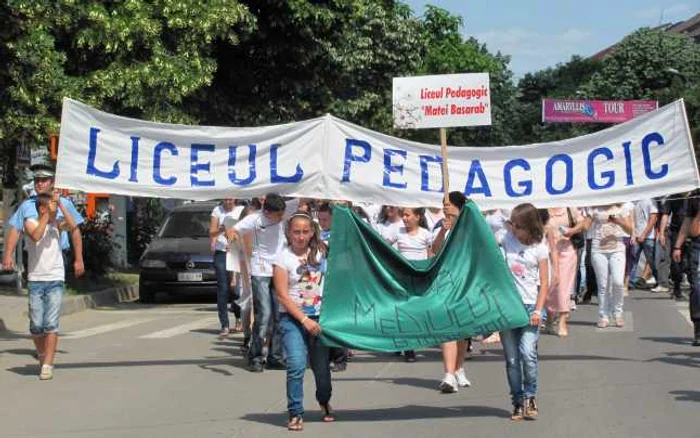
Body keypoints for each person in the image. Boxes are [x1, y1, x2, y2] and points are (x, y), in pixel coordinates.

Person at [274, 212, 334, 431]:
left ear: (312, 233)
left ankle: (324, 400)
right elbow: (282, 295)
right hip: (292, 319)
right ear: (289, 233)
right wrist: (304, 319)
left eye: (305, 232)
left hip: (320, 319)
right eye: (296, 232)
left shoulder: (322, 252)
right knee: (296, 365)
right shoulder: (282, 258)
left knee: (321, 369)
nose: (300, 236)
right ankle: (296, 412)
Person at [228, 194, 299, 372]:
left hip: (279, 269)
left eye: (283, 213)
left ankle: (275, 356)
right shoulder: (254, 219)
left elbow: (304, 199)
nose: (282, 217)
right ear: (267, 211)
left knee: (278, 314)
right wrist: (232, 236)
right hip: (260, 271)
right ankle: (256, 356)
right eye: (278, 215)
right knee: (264, 314)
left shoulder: (284, 209)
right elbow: (234, 230)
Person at [499, 203, 549, 421]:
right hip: (509, 308)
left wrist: (538, 309)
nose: (513, 229)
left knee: (527, 353)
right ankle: (517, 401)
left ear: (529, 227)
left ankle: (530, 396)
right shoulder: (505, 239)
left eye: (518, 226)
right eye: (512, 224)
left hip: (530, 307)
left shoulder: (540, 246)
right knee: (511, 360)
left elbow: (546, 282)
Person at [24, 191, 79, 380]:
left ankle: (47, 364)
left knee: (51, 324)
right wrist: (47, 213)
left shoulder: (57, 225)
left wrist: (61, 205)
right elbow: (36, 236)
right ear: (41, 208)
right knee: (36, 325)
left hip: (55, 278)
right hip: (36, 280)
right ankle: (41, 355)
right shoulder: (30, 222)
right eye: (50, 206)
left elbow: (72, 226)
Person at [2, 162, 85, 276]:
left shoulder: (64, 203)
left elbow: (75, 230)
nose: (39, 184)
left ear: (52, 182)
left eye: (44, 180)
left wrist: (79, 259)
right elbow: (16, 229)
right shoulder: (27, 205)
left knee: (54, 290)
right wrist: (8, 255)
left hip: (58, 255)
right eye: (37, 180)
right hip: (33, 256)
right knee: (35, 290)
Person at [431, 191, 471, 392]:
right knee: (448, 329)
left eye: (448, 204)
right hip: (445, 282)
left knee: (462, 331)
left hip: (465, 283)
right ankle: (448, 375)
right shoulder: (442, 226)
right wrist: (442, 232)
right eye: (443, 204)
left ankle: (459, 368)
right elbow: (434, 250)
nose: (445, 208)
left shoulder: (470, 227)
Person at [383, 207, 434, 362]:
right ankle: (408, 348)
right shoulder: (397, 231)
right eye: (403, 215)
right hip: (402, 277)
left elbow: (432, 252)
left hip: (419, 276)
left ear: (417, 217)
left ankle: (407, 341)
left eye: (407, 215)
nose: (404, 218)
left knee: (416, 311)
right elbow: (383, 245)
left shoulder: (425, 234)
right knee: (403, 311)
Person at [585, 204, 633, 328]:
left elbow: (631, 230)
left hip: (617, 248)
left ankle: (618, 313)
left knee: (618, 282)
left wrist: (619, 221)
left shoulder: (621, 207)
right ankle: (603, 315)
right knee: (603, 284)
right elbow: (585, 226)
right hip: (598, 249)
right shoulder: (594, 208)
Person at [317, 202, 349, 372]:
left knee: (336, 321)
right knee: (322, 321)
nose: (322, 222)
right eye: (319, 219)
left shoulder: (339, 234)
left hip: (336, 280)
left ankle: (340, 358)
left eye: (325, 219)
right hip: (319, 281)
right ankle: (324, 356)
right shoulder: (317, 234)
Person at [545, 207, 584, 337]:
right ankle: (550, 317)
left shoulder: (568, 207)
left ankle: (562, 321)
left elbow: (582, 223)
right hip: (547, 251)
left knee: (563, 288)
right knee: (550, 286)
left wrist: (572, 231)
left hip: (567, 251)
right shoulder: (542, 207)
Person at [209, 198, 244, 339]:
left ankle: (239, 317)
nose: (228, 201)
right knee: (222, 289)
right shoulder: (217, 211)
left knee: (236, 290)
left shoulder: (241, 210)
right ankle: (224, 324)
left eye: (231, 198)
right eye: (226, 198)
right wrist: (221, 230)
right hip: (221, 252)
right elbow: (212, 232)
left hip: (236, 251)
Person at [673, 190, 700, 345]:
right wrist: (677, 246)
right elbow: (690, 227)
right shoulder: (695, 196)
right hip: (698, 246)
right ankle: (698, 326)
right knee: (697, 288)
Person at [659, 193, 690, 300]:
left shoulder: (696, 195)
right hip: (677, 232)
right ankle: (677, 288)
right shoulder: (674, 196)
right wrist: (662, 232)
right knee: (676, 262)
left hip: (694, 232)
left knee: (689, 263)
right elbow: (665, 214)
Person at [629, 198, 660, 290]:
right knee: (633, 259)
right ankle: (630, 282)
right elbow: (633, 220)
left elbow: (653, 219)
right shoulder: (636, 202)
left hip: (649, 237)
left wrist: (644, 234)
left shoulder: (651, 201)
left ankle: (660, 281)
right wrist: (633, 234)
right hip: (636, 235)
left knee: (652, 261)